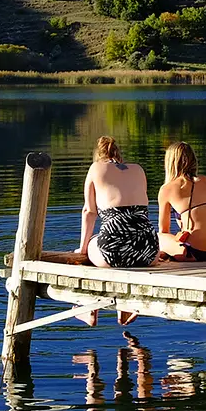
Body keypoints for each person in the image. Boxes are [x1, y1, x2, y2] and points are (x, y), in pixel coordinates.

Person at [76, 136, 160, 326]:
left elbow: (89, 212)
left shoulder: (96, 168)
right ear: (118, 154)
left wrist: (82, 249)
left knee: (93, 246)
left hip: (112, 251)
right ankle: (125, 309)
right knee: (126, 245)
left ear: (98, 154)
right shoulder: (138, 169)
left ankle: (88, 306)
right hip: (149, 250)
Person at [157, 141, 206, 261]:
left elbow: (164, 230)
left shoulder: (167, 189)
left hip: (193, 252)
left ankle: (169, 255)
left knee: (159, 237)